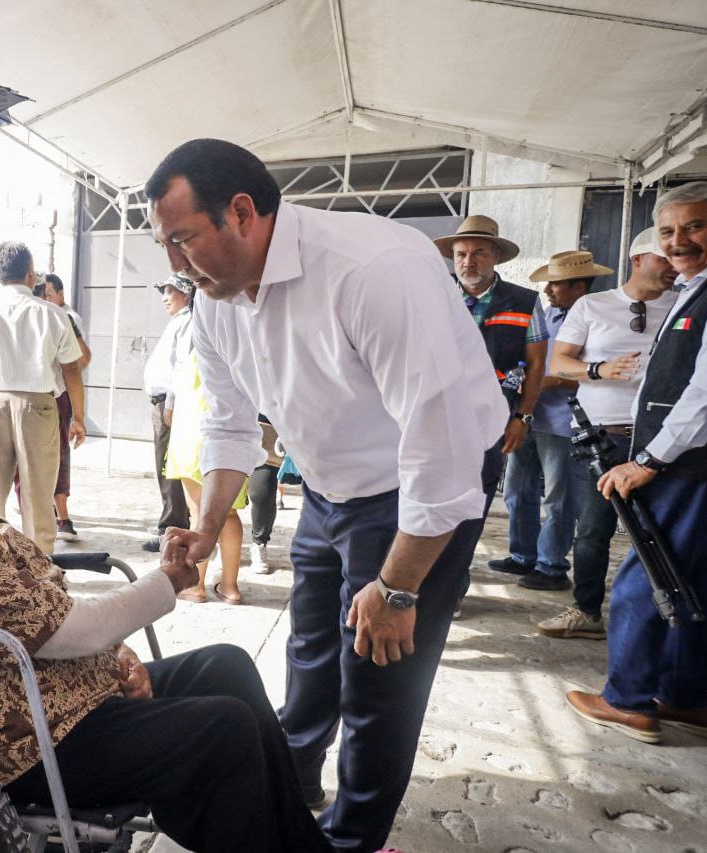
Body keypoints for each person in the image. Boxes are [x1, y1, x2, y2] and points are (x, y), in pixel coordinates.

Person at [146, 138, 506, 851]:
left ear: (242, 212)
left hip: (416, 490)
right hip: (329, 484)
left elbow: (441, 442)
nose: (175, 265)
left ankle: (353, 837)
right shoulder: (213, 301)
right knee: (310, 653)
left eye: (183, 240)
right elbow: (226, 422)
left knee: (379, 678)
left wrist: (399, 587)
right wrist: (203, 523)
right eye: (165, 245)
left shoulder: (374, 268)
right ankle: (292, 777)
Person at [0, 395, 332, 853]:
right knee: (223, 729)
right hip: (22, 750)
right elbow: (71, 629)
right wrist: (165, 582)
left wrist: (114, 656)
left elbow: (43, 614)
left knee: (227, 666)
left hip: (65, 701)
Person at [567, 181, 707, 744]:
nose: (679, 241)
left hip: (685, 462)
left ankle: (628, 700)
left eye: (695, 227)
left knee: (649, 575)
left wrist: (650, 461)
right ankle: (686, 696)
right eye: (668, 232)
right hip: (681, 459)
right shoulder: (695, 287)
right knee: (686, 576)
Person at [537, 229, 678, 639]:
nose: (673, 265)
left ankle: (660, 616)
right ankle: (587, 612)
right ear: (638, 260)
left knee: (659, 532)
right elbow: (561, 364)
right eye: (663, 257)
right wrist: (600, 369)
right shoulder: (592, 305)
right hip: (602, 437)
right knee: (592, 531)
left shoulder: (685, 305)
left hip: (662, 439)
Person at [434, 215, 549, 581]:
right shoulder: (434, 295)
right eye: (461, 254)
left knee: (474, 503)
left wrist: (523, 418)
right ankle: (424, 577)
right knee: (427, 496)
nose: (469, 261)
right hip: (434, 416)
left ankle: (454, 582)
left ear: (495, 256)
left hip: (492, 420)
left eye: (479, 253)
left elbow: (536, 367)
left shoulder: (526, 301)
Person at [0, 242, 85, 553]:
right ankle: (40, 567)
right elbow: (72, 370)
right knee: (38, 493)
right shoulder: (53, 315)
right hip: (38, 405)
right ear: (31, 276)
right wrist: (78, 417)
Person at [503, 251, 613, 591]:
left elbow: (600, 373)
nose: (548, 289)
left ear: (579, 286)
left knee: (559, 498)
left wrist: (548, 381)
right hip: (531, 415)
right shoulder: (548, 315)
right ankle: (522, 555)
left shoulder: (596, 318)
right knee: (517, 490)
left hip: (566, 421)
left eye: (556, 283)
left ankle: (552, 566)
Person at [164, 349, 248, 604]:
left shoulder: (197, 345)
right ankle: (230, 587)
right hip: (233, 439)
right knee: (230, 514)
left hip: (192, 436)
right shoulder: (239, 341)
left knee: (200, 513)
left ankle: (196, 585)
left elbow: (173, 393)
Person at [140, 274, 195, 553]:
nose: (164, 296)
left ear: (185, 293)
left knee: (169, 468)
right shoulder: (178, 321)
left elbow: (183, 367)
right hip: (161, 402)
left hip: (168, 404)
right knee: (166, 466)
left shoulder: (187, 322)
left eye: (170, 290)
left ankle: (171, 529)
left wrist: (172, 404)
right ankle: (172, 524)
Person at [38, 273, 91, 541]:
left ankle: (62, 518)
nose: (44, 297)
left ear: (60, 295)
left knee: (57, 457)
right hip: (44, 397)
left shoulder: (65, 317)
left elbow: (81, 360)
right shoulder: (43, 315)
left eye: (48, 293)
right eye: (41, 292)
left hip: (57, 396)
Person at [249, 417, 284, 573]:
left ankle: (259, 543)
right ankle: (258, 543)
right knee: (260, 492)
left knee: (261, 492)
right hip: (251, 426)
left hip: (277, 429)